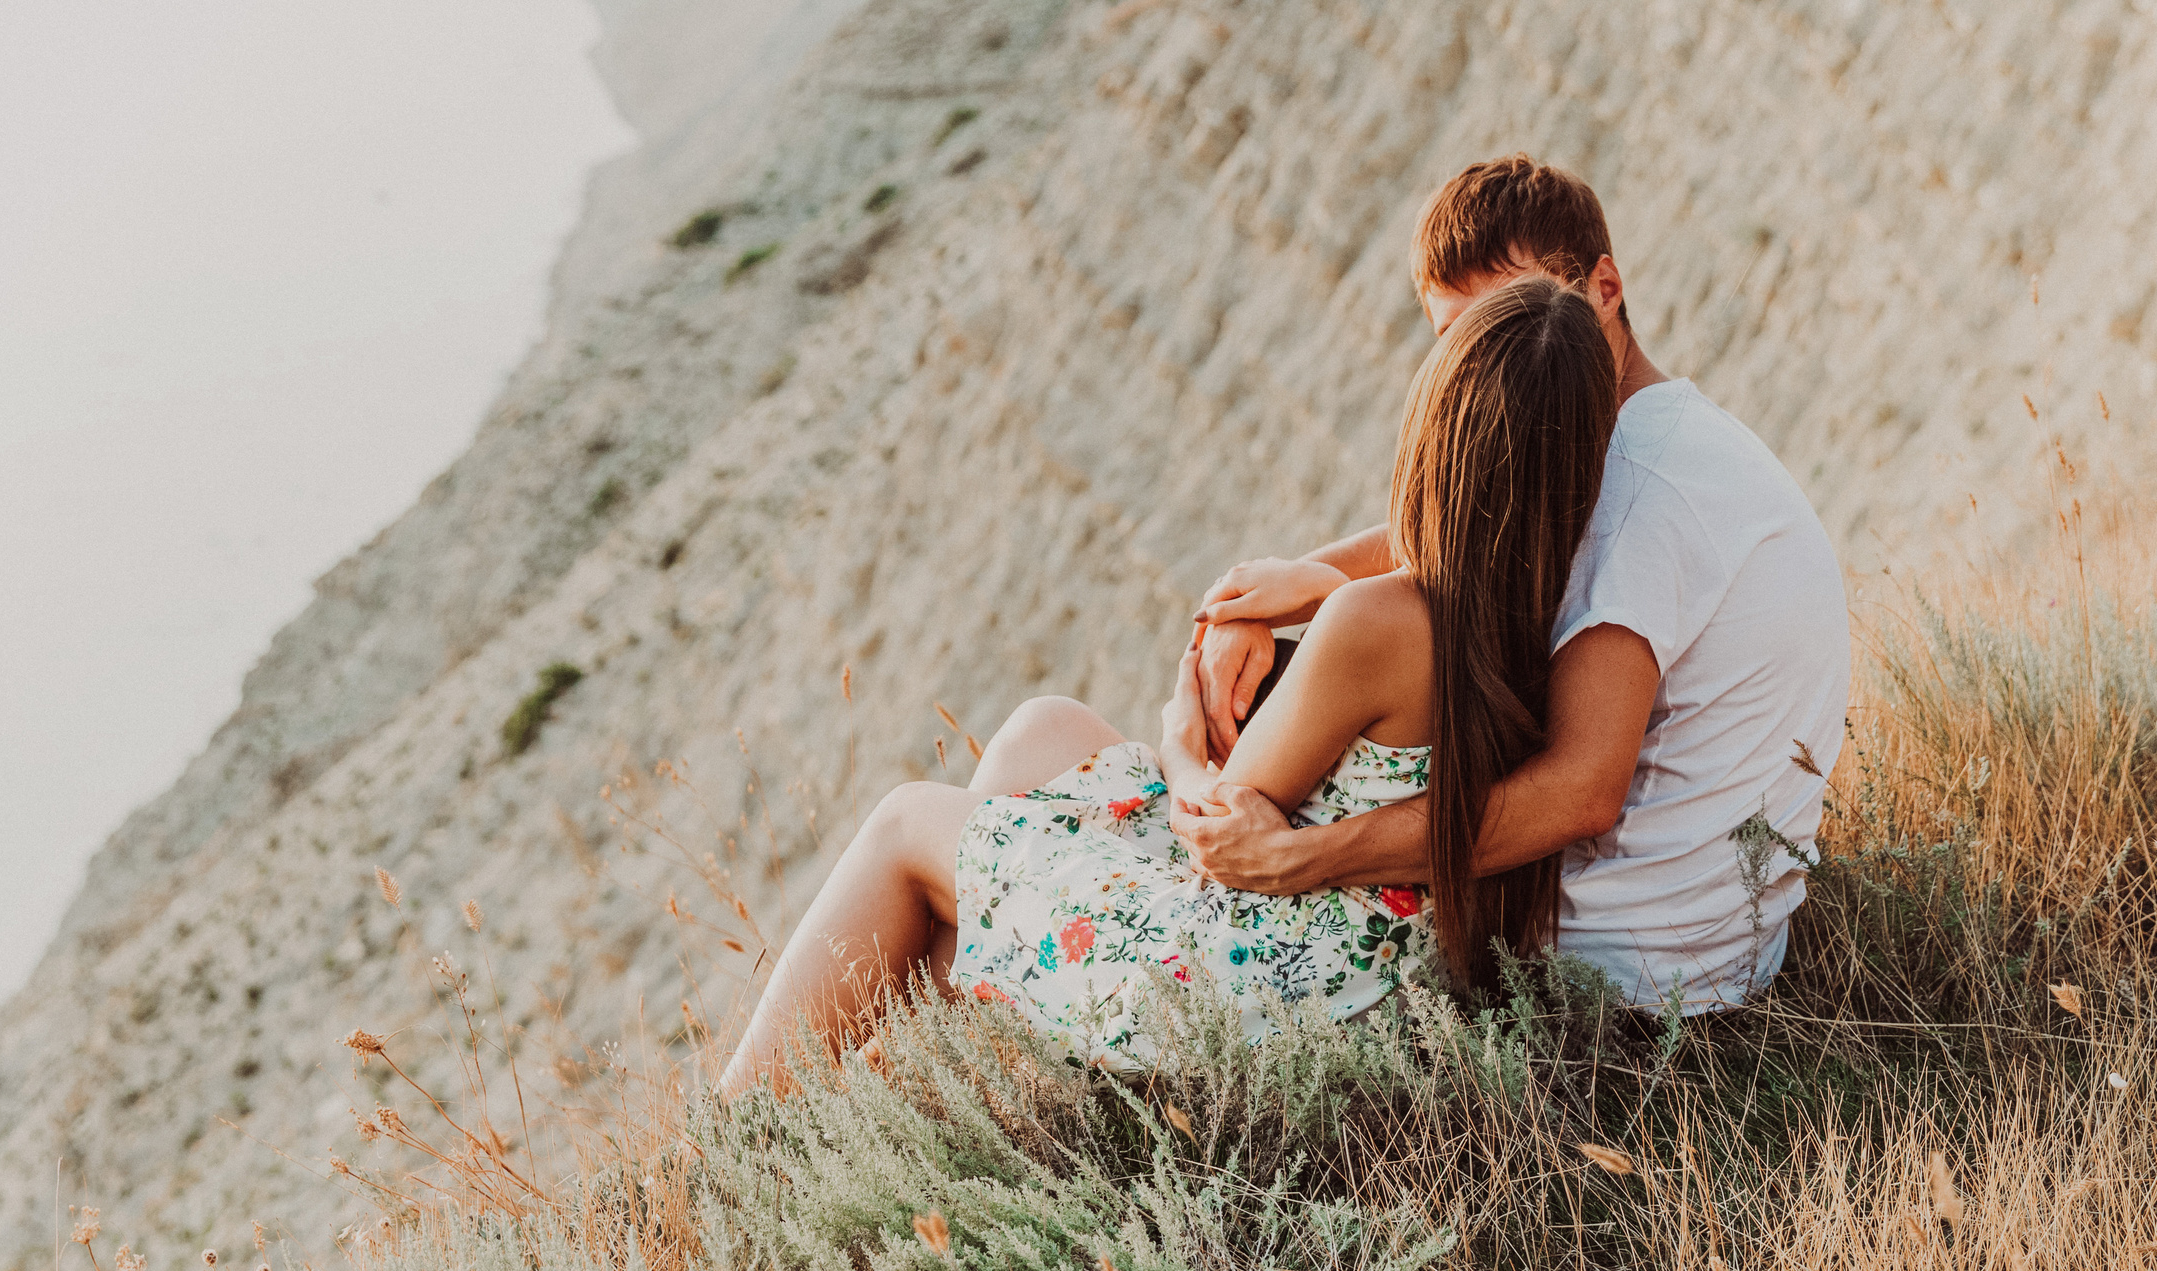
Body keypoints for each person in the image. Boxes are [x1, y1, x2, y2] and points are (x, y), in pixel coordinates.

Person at [717, 277, 1617, 1092]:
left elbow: (1216, 829)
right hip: (1363, 964)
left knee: (906, 821)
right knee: (1044, 732)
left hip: (1256, 979)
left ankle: (732, 1132)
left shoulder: (1380, 621)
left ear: (1435, 435)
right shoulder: (1544, 617)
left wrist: (1181, 739)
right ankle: (931, 1073)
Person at [1176, 155, 1851, 1014]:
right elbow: (1477, 525)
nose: (1482, 362)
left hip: (1620, 974)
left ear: (1603, 290)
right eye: (1456, 338)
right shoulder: (1650, 438)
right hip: (1721, 944)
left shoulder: (1637, 499)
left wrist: (1306, 858)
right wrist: (1296, 583)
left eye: (1506, 318)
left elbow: (1582, 791)